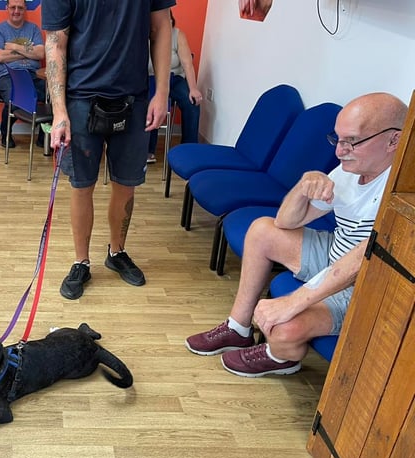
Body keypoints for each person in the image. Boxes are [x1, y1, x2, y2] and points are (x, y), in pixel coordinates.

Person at [185, 93, 407, 377]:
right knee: (262, 230)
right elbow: (285, 221)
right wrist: (304, 185)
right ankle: (238, 328)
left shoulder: (402, 188)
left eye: (351, 141)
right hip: (334, 253)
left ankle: (280, 356)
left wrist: (292, 303)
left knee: (284, 329)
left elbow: (361, 259)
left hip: (364, 283)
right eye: (337, 139)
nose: (340, 151)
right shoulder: (351, 167)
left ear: (393, 140)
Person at [43, 0, 176, 300]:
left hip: (134, 97)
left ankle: (117, 252)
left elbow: (161, 26)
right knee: (81, 186)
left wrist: (162, 94)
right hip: (80, 98)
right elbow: (55, 42)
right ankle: (81, 261)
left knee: (126, 186)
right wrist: (60, 110)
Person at [147, 11, 203, 163]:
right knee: (148, 104)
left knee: (191, 103)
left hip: (174, 79)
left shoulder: (177, 35)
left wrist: (193, 88)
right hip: (151, 79)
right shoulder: (143, 34)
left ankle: (189, 149)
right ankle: (148, 150)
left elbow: (187, 64)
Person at [0, 0, 46, 148]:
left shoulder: (34, 29)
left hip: (33, 75)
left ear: (25, 9)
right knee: (15, 97)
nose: (16, 11)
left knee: (54, 94)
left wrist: (14, 47)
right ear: (7, 8)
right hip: (7, 75)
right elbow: (0, 57)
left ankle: (44, 138)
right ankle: (6, 133)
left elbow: (40, 53)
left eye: (20, 8)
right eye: (13, 7)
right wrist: (28, 52)